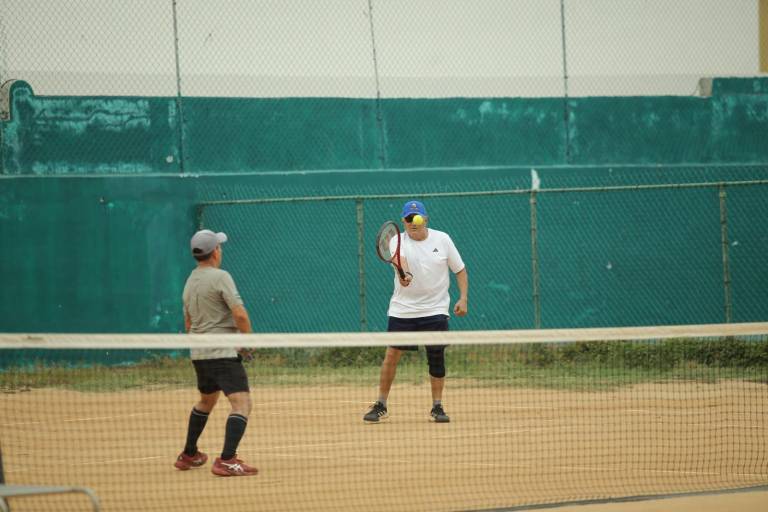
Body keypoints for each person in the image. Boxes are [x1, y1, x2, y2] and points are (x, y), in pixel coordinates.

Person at [364, 200, 468, 424]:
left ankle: (437, 407)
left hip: (436, 308)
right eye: (408, 219)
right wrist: (404, 276)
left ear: (425, 219)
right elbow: (400, 264)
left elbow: (459, 269)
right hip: (403, 310)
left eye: (417, 218)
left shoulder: (443, 239)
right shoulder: (396, 241)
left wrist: (463, 298)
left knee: (436, 356)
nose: (413, 222)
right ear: (403, 221)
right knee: (391, 354)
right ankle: (381, 404)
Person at [174, 229, 258, 477]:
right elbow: (240, 314)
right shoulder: (221, 277)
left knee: (207, 401)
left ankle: (189, 454)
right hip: (222, 352)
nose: (221, 250)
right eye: (220, 246)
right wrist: (248, 341)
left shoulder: (190, 282)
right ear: (215, 252)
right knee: (242, 403)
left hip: (199, 354)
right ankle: (227, 460)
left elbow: (188, 323)